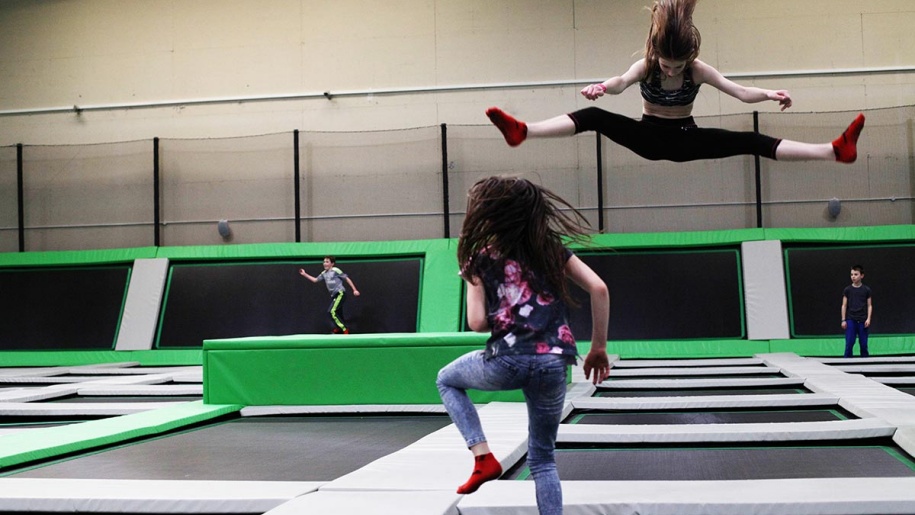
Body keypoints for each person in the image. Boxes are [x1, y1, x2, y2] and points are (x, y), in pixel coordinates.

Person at [486, 0, 865, 164]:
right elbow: (619, 82)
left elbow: (738, 92)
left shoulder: (698, 69)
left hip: (686, 137)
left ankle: (834, 151)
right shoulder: (647, 65)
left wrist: (768, 93)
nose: (669, 72)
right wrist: (601, 87)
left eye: (676, 66)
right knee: (595, 115)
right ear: (656, 55)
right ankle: (524, 131)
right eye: (666, 65)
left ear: (689, 59)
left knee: (750, 141)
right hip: (648, 137)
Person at [436, 176, 611, 515]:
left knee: (446, 379)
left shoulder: (482, 258)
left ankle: (482, 455)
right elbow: (599, 289)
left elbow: (477, 323)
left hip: (507, 360)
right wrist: (598, 348)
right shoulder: (551, 248)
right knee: (543, 459)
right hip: (553, 364)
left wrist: (475, 283)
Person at [298, 256, 360, 334]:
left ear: (332, 263)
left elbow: (347, 279)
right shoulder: (324, 273)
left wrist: (354, 290)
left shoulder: (335, 270)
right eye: (324, 262)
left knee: (332, 311)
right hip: (334, 296)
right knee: (338, 313)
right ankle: (339, 328)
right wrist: (304, 274)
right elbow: (315, 280)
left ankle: (344, 329)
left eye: (327, 262)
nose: (325, 263)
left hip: (340, 293)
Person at [841, 264, 872, 358]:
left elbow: (870, 305)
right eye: (851, 274)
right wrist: (843, 320)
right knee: (849, 343)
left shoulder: (866, 290)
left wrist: (868, 319)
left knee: (863, 344)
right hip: (851, 319)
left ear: (861, 275)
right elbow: (844, 305)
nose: (853, 277)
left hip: (862, 320)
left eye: (856, 274)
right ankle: (847, 363)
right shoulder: (847, 290)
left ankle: (866, 364)